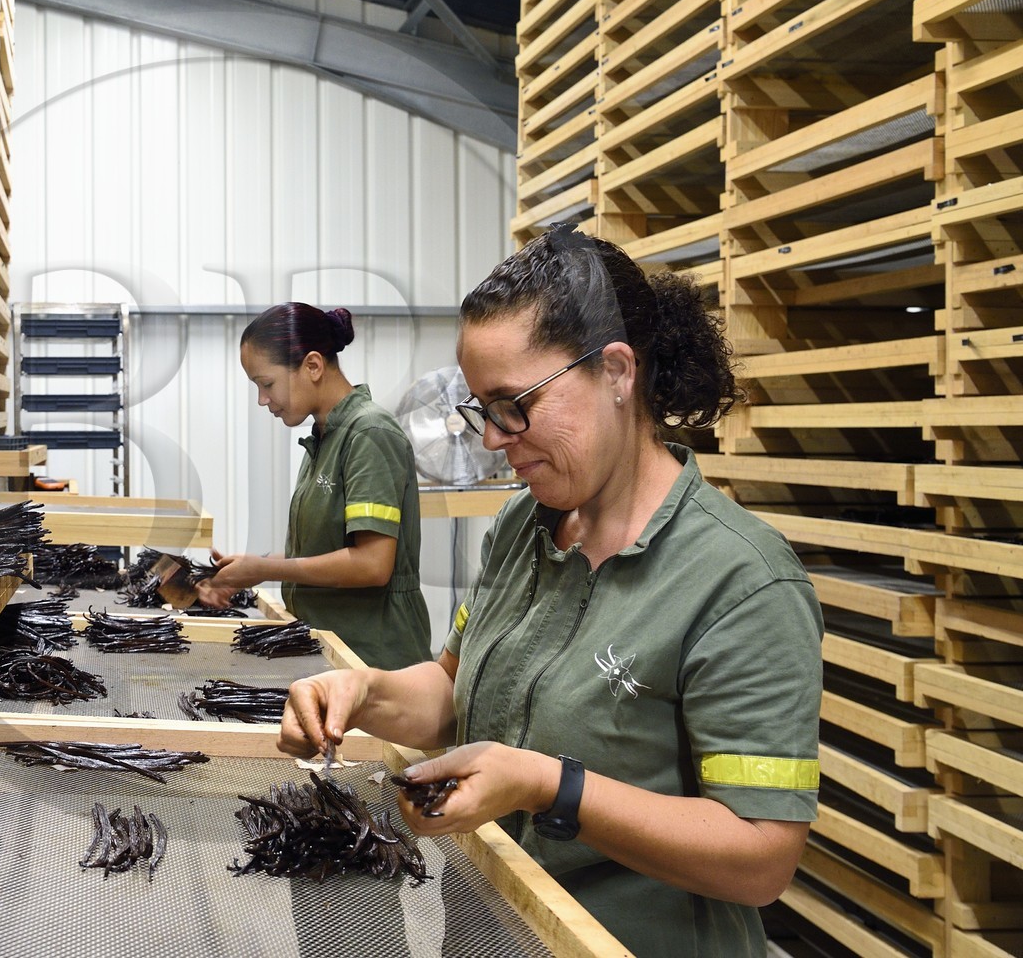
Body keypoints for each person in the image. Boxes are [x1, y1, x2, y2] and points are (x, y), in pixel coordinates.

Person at [278, 228, 823, 957]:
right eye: (482, 410)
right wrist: (360, 693)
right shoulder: (522, 526)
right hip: (499, 933)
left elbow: (760, 858)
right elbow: (454, 691)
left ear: (618, 372)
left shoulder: (741, 582)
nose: (495, 440)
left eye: (513, 404)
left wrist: (550, 787)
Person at [197, 302, 433, 671]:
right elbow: (325, 552)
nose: (263, 400)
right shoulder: (324, 436)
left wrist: (269, 569)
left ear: (312, 365)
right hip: (331, 650)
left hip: (373, 660)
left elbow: (372, 565)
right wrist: (254, 567)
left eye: (267, 383)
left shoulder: (369, 433)